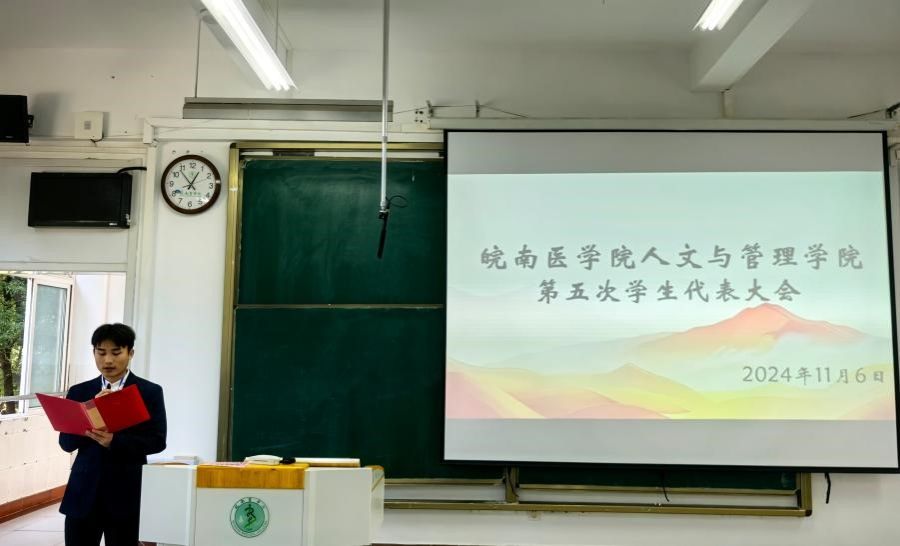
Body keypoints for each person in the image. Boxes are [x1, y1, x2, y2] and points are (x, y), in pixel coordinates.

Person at [58, 323, 167, 546]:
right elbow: (66, 443)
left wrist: (115, 441)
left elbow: (157, 441)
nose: (108, 360)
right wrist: (90, 412)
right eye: (101, 352)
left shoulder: (149, 392)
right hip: (83, 493)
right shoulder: (79, 392)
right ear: (94, 353)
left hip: (126, 493)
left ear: (130, 353)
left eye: (116, 353)